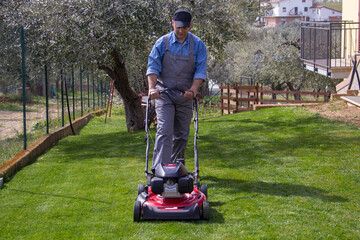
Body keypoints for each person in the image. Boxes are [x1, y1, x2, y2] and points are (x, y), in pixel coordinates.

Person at [146, 9, 207, 169]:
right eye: (178, 27)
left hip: (185, 96)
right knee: (164, 131)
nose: (181, 31)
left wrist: (193, 89)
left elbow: (200, 70)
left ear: (190, 26)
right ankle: (158, 171)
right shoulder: (162, 43)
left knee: (181, 135)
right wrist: (152, 88)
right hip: (164, 94)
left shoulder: (198, 45)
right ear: (172, 23)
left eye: (184, 28)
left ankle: (177, 169)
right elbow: (152, 67)